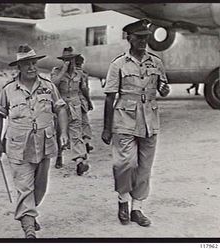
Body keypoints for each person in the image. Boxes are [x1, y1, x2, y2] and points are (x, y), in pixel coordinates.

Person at [0, 44, 68, 238]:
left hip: (44, 143)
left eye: (34, 63)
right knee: (24, 186)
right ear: (19, 67)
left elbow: (60, 109)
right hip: (18, 145)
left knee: (39, 187)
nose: (32, 68)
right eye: (27, 64)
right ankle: (29, 229)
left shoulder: (48, 86)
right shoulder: (8, 90)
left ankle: (30, 213)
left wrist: (64, 133)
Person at [101, 19, 170, 227]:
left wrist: (164, 90)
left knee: (144, 167)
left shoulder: (156, 62)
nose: (143, 41)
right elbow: (109, 97)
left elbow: (163, 86)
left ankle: (136, 209)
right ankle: (123, 200)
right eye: (138, 37)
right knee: (125, 163)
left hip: (150, 120)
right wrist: (106, 128)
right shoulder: (118, 64)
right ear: (129, 38)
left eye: (145, 38)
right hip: (124, 119)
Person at [51, 47, 90, 175]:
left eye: (71, 59)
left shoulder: (79, 73)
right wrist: (63, 70)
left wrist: (88, 102)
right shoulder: (56, 72)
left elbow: (83, 89)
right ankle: (59, 156)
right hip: (61, 104)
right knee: (59, 132)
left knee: (76, 132)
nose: (69, 62)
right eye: (66, 60)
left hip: (75, 104)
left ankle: (79, 161)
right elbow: (53, 85)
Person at [75, 54, 94, 154]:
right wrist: (89, 101)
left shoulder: (69, 73)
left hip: (70, 103)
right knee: (85, 122)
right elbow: (85, 89)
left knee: (74, 125)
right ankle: (86, 142)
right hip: (81, 101)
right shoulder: (83, 74)